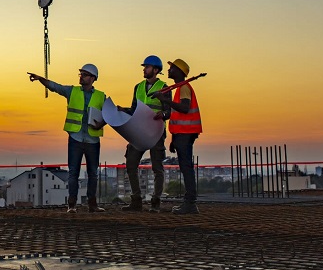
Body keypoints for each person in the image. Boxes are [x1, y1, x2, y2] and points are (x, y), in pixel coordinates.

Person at [28, 64, 107, 213]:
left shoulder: (101, 96)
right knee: (73, 173)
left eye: (84, 74)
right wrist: (40, 79)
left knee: (93, 173)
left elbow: (110, 115)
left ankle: (92, 204)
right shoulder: (72, 91)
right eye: (81, 74)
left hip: (92, 140)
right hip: (76, 138)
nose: (81, 77)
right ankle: (72, 205)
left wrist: (101, 123)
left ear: (93, 78)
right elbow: (54, 86)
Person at [117, 55, 169, 212]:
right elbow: (135, 109)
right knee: (131, 163)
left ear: (155, 70)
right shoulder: (138, 87)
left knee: (157, 168)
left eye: (146, 67)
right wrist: (123, 110)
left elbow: (169, 111)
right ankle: (136, 200)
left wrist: (163, 114)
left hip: (155, 133)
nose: (143, 69)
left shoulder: (164, 87)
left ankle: (155, 202)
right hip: (139, 132)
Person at [152, 59, 202, 215]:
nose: (169, 70)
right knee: (185, 167)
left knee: (186, 168)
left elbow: (184, 109)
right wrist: (174, 139)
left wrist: (164, 100)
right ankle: (189, 203)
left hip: (186, 134)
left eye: (172, 68)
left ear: (179, 71)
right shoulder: (180, 89)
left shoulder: (184, 88)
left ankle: (190, 203)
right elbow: (178, 115)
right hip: (182, 134)